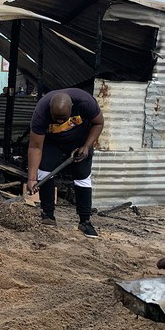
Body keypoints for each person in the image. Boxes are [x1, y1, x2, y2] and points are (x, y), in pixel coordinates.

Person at [27, 88, 105, 238]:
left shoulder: (85, 102)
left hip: (80, 140)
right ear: (50, 110)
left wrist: (87, 146)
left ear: (72, 108)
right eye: (56, 118)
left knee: (82, 177)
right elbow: (35, 146)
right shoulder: (41, 113)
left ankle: (85, 221)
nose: (60, 122)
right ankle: (48, 215)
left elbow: (98, 123)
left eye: (64, 118)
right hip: (52, 142)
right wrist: (31, 179)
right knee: (44, 170)